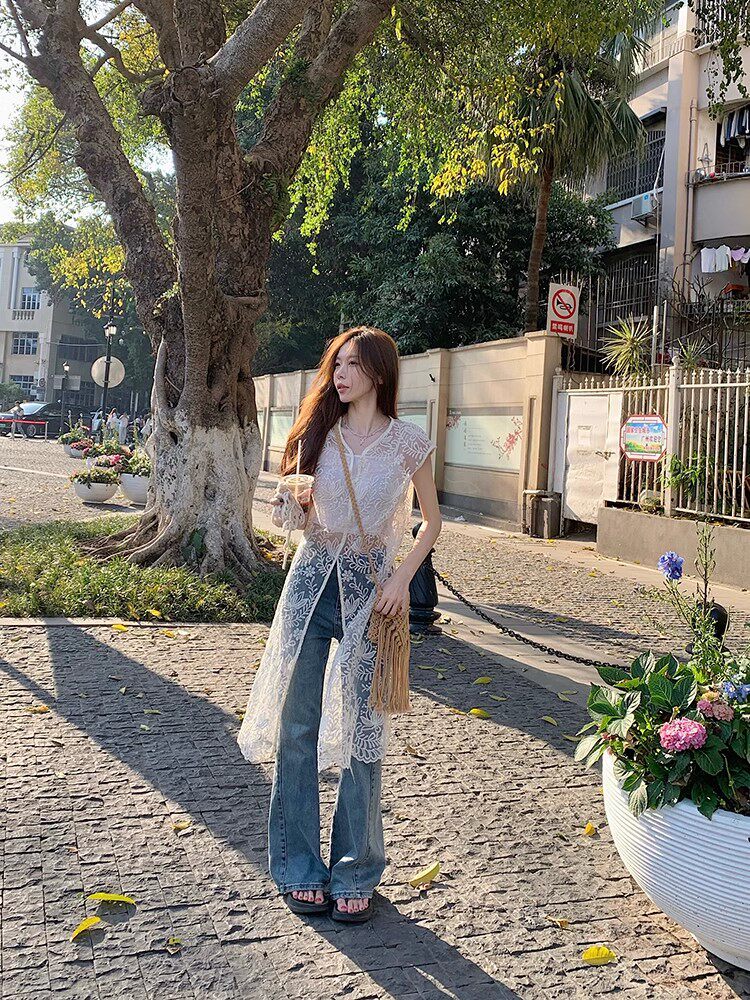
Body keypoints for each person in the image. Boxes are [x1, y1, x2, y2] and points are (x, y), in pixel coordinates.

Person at [237, 326, 442, 924]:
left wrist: (401, 580)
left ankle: (356, 869)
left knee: (362, 728)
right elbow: (294, 523)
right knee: (298, 725)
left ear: (378, 372)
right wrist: (291, 505)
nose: (340, 375)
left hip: (372, 595)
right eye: (337, 365)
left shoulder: (408, 443)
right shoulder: (317, 436)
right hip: (311, 585)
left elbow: (432, 523)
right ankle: (298, 865)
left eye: (352, 365)